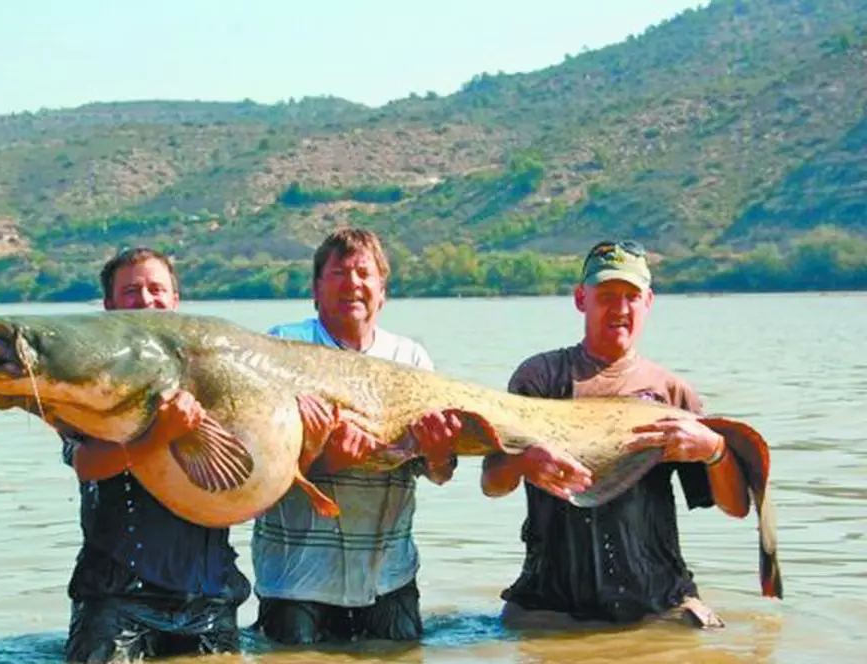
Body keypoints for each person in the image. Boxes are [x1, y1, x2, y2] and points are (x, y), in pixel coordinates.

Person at [481, 239, 750, 629]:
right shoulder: (539, 379)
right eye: (607, 295)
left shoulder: (672, 393)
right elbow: (492, 483)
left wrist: (714, 450)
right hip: (548, 602)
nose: (620, 308)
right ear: (581, 298)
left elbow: (736, 508)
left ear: (648, 302)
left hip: (657, 602)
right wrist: (524, 463)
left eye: (631, 296)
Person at [251, 227, 462, 645]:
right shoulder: (282, 347)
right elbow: (260, 467)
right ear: (315, 289)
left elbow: (439, 473)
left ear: (382, 291)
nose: (353, 283)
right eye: (339, 273)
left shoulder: (411, 359)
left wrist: (439, 454)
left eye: (364, 273)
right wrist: (324, 459)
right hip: (296, 580)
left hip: (387, 576)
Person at [59, 248, 251, 662]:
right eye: (131, 291)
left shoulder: (219, 374)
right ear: (109, 306)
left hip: (208, 592)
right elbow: (86, 464)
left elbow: (249, 478)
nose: (146, 300)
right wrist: (159, 434)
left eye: (156, 289)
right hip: (113, 594)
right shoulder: (87, 379)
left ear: (175, 299)